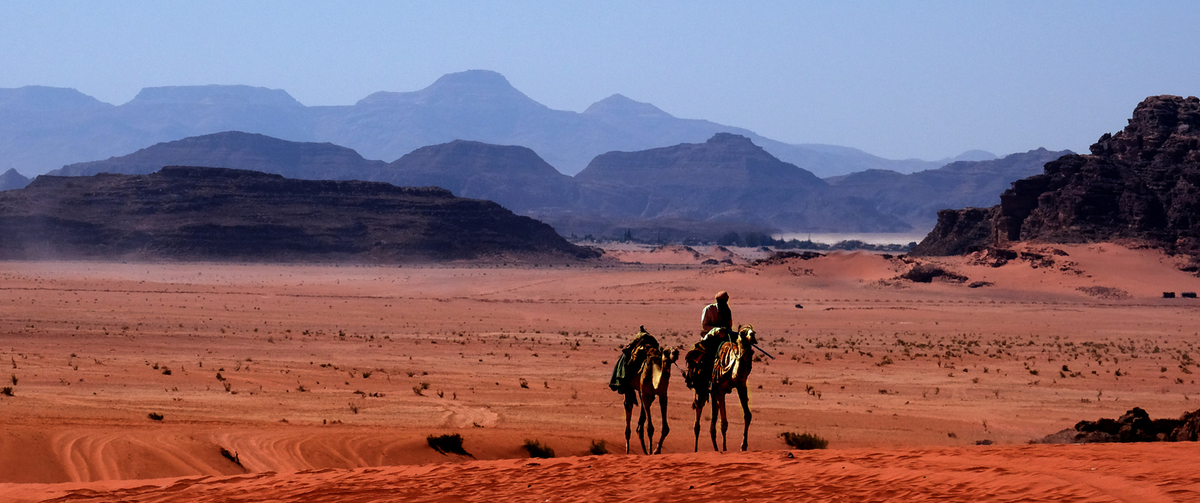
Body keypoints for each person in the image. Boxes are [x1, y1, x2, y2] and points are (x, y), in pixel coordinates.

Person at [686, 291, 734, 393]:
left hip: (723, 338)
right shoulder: (708, 309)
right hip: (709, 338)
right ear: (717, 301)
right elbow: (704, 326)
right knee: (706, 357)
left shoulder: (727, 311)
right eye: (721, 301)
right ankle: (702, 380)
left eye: (725, 301)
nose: (723, 303)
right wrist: (717, 330)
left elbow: (729, 325)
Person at [609, 325, 657, 393]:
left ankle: (624, 382)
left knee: (628, 365)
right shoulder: (650, 339)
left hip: (642, 355)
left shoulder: (639, 340)